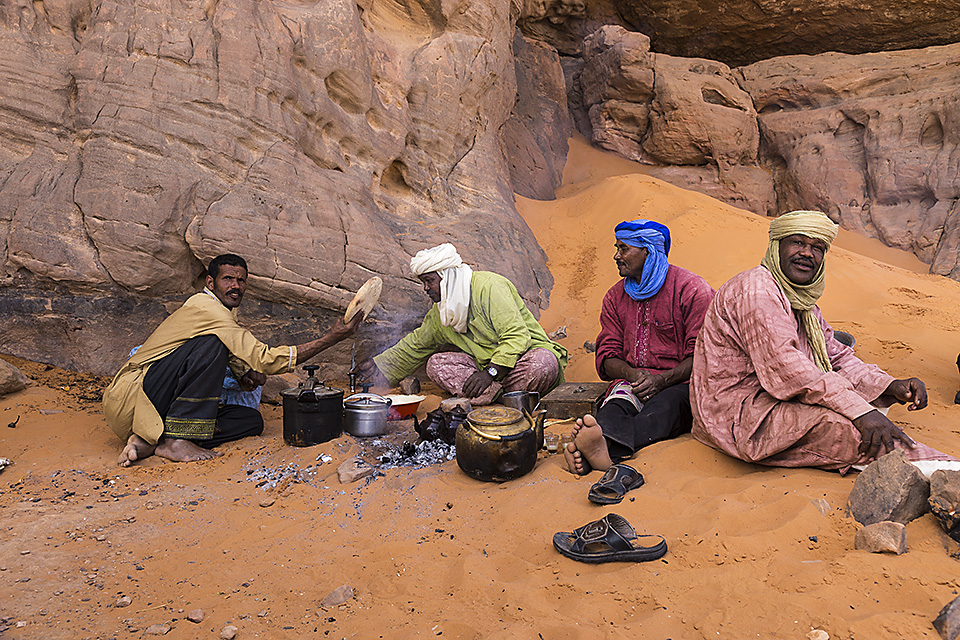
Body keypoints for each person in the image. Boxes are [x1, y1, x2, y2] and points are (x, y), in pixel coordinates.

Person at [690, 210, 957, 473]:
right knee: (849, 431)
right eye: (798, 242)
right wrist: (861, 412)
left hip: (775, 397)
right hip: (737, 415)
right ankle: (944, 470)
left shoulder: (800, 298)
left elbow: (836, 355)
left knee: (861, 409)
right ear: (777, 246)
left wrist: (889, 385)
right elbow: (789, 371)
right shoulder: (757, 291)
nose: (807, 253)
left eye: (817, 247)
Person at [103, 254, 361, 467]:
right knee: (212, 343)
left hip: (153, 408)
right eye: (227, 279)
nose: (235, 286)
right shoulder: (206, 307)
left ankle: (155, 440)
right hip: (133, 399)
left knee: (251, 421)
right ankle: (176, 440)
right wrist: (330, 338)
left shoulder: (224, 313)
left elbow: (239, 354)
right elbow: (265, 359)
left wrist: (242, 372)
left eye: (241, 280)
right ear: (210, 282)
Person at [564, 219, 715, 475]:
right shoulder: (614, 296)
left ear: (648, 251)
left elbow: (704, 355)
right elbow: (607, 355)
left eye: (624, 249)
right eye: (617, 248)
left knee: (663, 409)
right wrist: (634, 375)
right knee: (614, 406)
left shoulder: (691, 290)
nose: (616, 256)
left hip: (681, 383)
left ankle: (603, 450)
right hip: (633, 380)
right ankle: (599, 444)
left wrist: (662, 380)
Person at [356, 243, 567, 404]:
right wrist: (378, 367)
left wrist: (490, 374)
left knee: (543, 362)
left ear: (446, 277)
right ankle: (506, 399)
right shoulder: (442, 313)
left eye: (430, 281)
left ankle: (493, 398)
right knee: (436, 364)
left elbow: (517, 337)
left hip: (521, 362)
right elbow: (416, 345)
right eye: (424, 282)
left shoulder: (489, 287)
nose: (426, 289)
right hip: (489, 375)